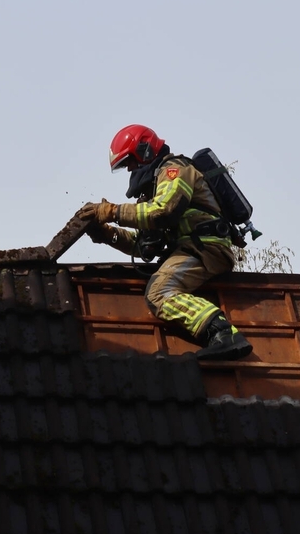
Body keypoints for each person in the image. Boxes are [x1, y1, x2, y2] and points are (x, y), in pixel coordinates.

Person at [78, 124, 253, 361]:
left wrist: (111, 211)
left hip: (205, 247)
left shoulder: (175, 170)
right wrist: (108, 235)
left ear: (145, 150)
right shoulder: (155, 189)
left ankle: (223, 334)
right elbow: (144, 245)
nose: (129, 168)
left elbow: (162, 212)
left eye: (129, 161)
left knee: (158, 292)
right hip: (189, 248)